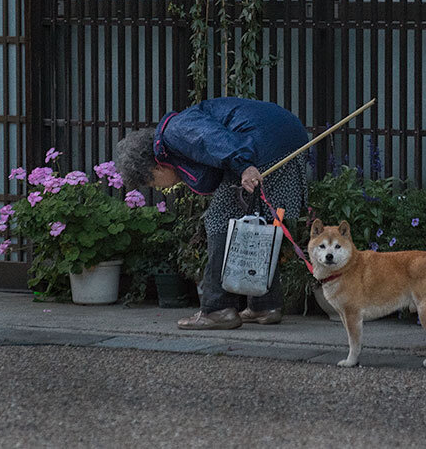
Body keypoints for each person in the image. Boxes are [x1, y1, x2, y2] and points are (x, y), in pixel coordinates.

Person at [115, 96, 309, 330]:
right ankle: (265, 305)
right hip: (286, 137)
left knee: (220, 221)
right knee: (261, 223)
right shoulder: (176, 141)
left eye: (154, 183)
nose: (161, 189)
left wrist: (245, 166)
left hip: (260, 146)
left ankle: (217, 309)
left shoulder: (176, 130)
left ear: (157, 166)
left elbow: (214, 138)